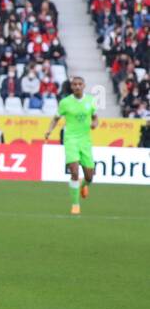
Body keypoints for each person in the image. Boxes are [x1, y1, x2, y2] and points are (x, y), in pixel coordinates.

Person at [45, 76, 99, 215]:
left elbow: (95, 117)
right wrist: (49, 130)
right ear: (71, 86)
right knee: (74, 171)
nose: (77, 86)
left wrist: (95, 124)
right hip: (71, 140)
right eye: (74, 84)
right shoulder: (65, 102)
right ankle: (75, 205)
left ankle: (84, 185)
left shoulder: (91, 101)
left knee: (89, 176)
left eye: (80, 84)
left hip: (85, 141)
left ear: (84, 85)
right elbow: (55, 119)